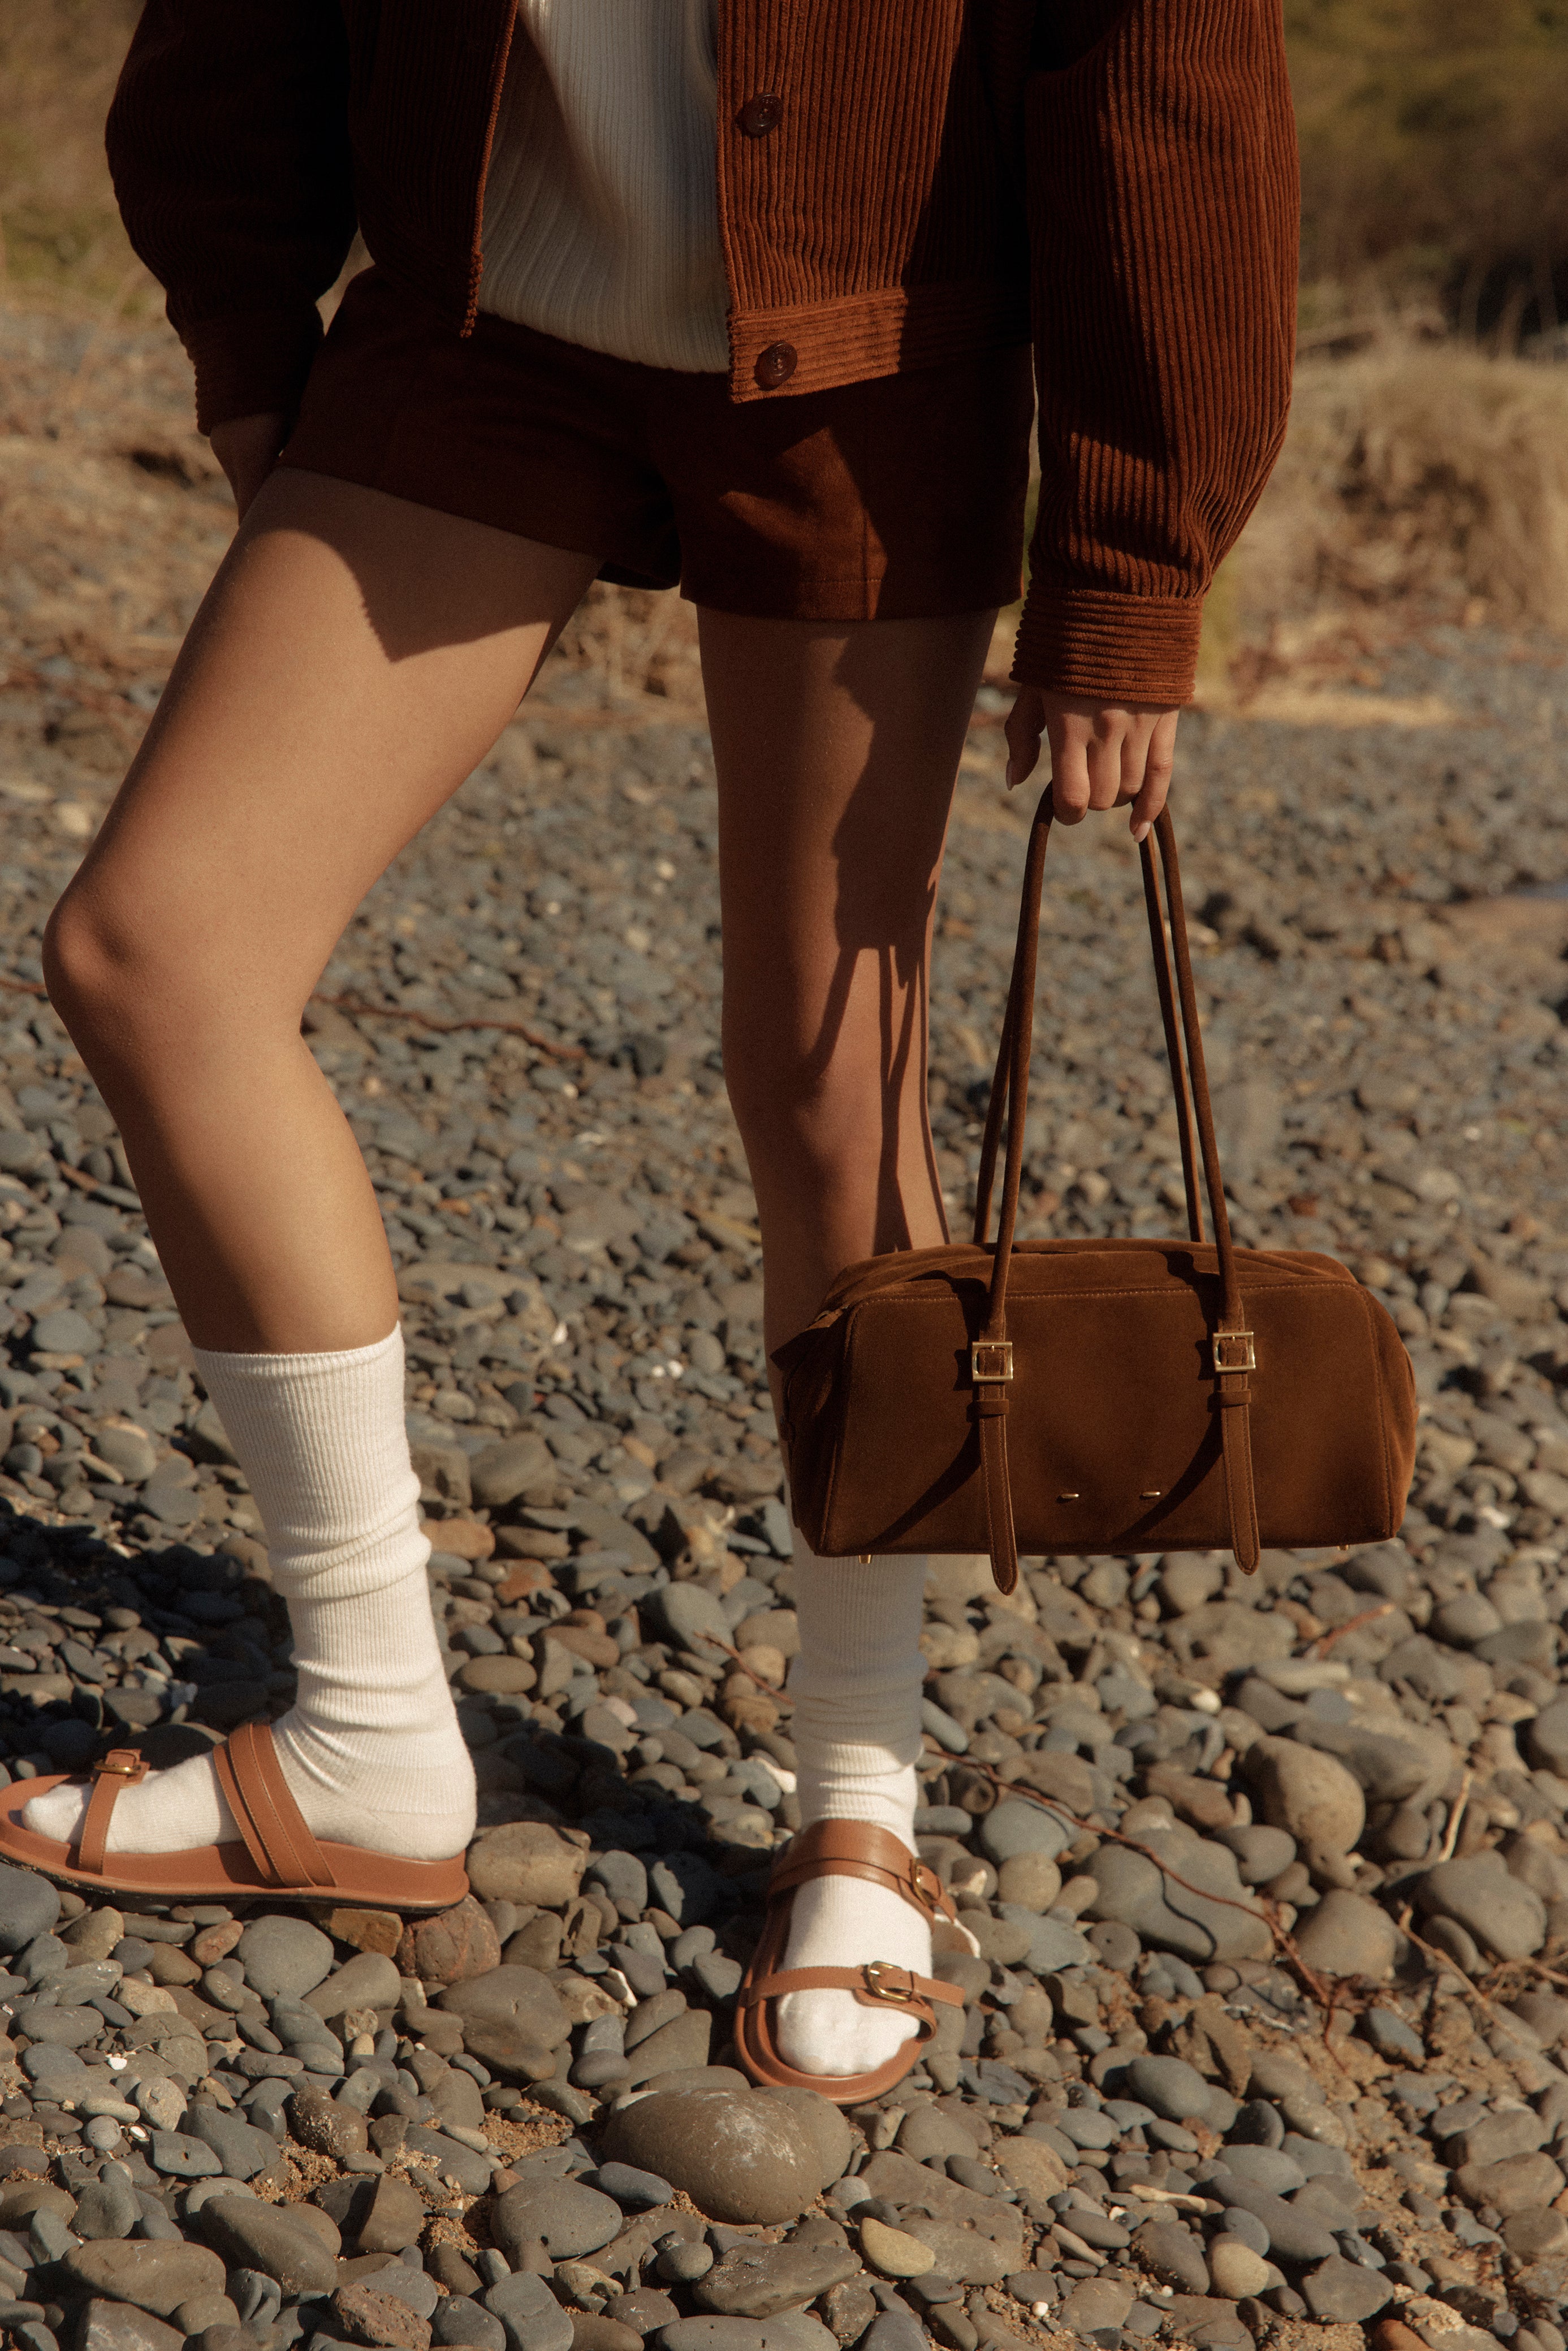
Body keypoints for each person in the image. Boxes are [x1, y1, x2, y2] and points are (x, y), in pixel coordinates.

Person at [0, 0, 1295, 2099]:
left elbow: (1169, 68)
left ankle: (861, 1802)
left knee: (828, 1077)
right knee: (155, 951)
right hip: (476, 327)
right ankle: (370, 1742)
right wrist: (248, 335)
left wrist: (1134, 564)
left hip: (872, 364)